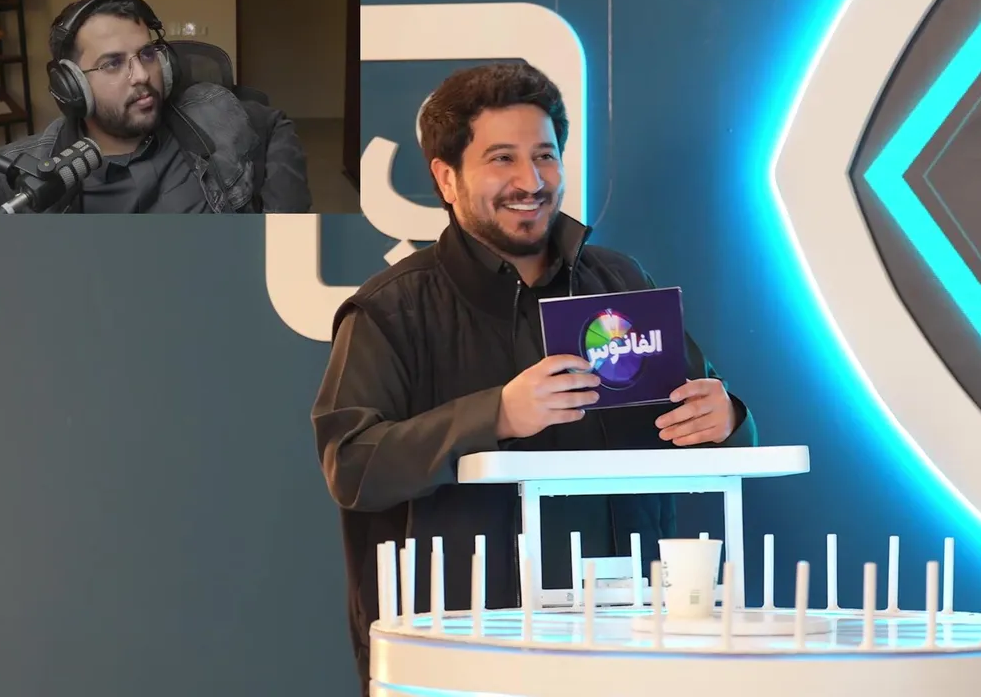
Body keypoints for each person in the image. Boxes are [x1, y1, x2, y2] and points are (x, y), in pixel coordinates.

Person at [310, 62, 757, 692]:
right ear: (446, 177)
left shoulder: (620, 282)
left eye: (545, 155)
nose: (531, 180)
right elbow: (352, 463)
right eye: (502, 159)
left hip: (629, 651)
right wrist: (495, 415)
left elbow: (705, 420)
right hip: (462, 662)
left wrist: (725, 417)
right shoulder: (391, 309)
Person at [0, 0, 310, 214]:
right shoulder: (15, 178)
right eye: (112, 63)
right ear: (72, 86)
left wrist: (280, 232)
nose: (142, 75)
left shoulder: (212, 109)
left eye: (147, 54)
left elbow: (275, 125)